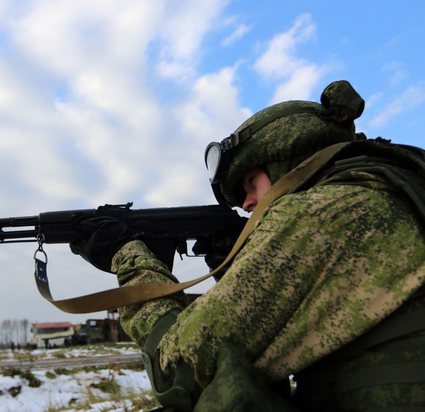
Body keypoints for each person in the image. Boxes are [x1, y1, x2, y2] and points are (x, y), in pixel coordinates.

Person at [70, 80, 425, 411]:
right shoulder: (381, 189)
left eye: (252, 183)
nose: (247, 203)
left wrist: (128, 255)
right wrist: (233, 268)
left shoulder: (317, 212)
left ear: (289, 159)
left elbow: (181, 369)